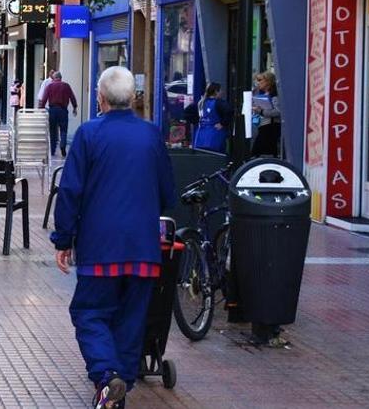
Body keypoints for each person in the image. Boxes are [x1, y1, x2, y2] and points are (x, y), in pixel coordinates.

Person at [52, 67, 176, 409]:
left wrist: (63, 239)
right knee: (131, 320)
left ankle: (107, 376)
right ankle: (118, 388)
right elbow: (168, 193)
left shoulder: (89, 134)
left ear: (100, 98)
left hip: (99, 248)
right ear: (133, 98)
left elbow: (70, 191)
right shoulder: (152, 135)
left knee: (90, 313)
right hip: (143, 249)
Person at [39, 71, 78, 157]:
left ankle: (52, 150)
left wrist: (41, 109)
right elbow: (72, 97)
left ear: (54, 78)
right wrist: (75, 107)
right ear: (60, 78)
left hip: (52, 110)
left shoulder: (50, 86)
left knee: (52, 131)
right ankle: (63, 146)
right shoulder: (66, 86)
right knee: (63, 130)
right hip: (63, 111)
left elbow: (44, 98)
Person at [191, 82, 231, 154]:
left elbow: (188, 113)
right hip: (215, 137)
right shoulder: (220, 103)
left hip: (200, 137)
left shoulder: (200, 102)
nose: (222, 92)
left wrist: (197, 122)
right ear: (216, 91)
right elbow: (229, 111)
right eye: (220, 90)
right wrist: (222, 123)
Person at [250, 70, 282, 157]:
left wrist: (261, 111)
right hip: (263, 125)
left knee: (259, 151)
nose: (258, 83)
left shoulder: (273, 95)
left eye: (260, 80)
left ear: (268, 81)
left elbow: (278, 111)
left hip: (271, 127)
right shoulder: (261, 93)